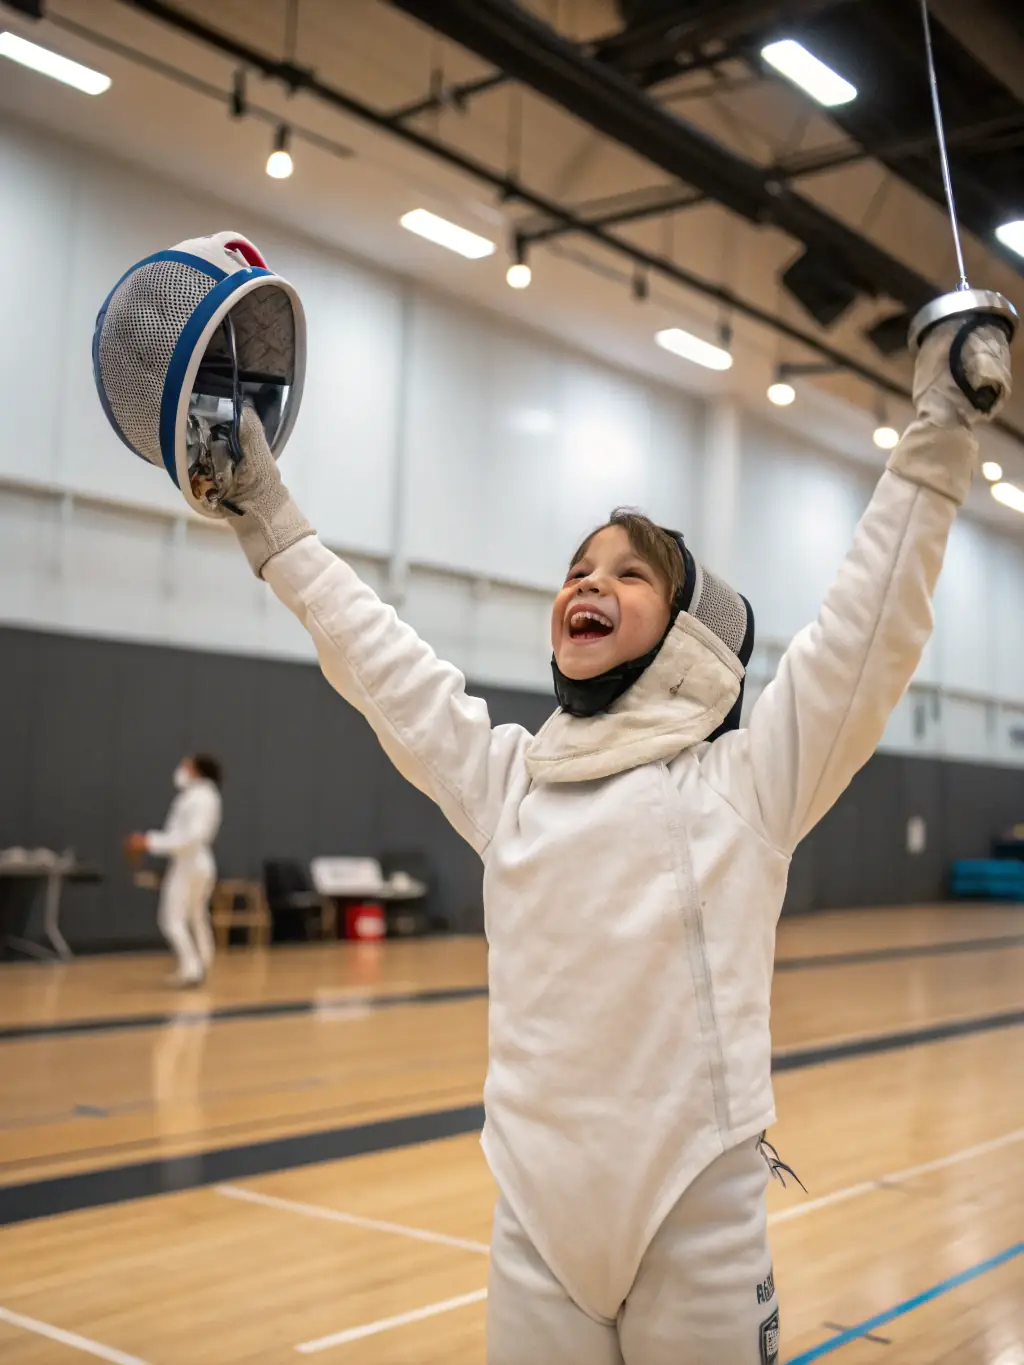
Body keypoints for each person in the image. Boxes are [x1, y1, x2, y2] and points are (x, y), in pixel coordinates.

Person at [215, 320, 1007, 1363]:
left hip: (697, 1224)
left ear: (686, 637)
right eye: (577, 567)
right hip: (536, 1224)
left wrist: (940, 428)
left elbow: (865, 634)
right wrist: (268, 516)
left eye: (629, 575)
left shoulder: (743, 786)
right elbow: (384, 667)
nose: (587, 583)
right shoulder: (510, 784)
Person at [128, 755, 222, 987]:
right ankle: (200, 963)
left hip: (190, 863)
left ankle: (192, 968)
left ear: (197, 770)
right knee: (195, 915)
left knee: (172, 919)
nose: (181, 770)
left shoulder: (201, 798)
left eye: (186, 766)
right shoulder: (200, 796)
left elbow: (190, 837)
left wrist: (148, 842)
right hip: (194, 862)